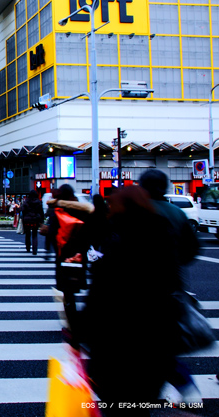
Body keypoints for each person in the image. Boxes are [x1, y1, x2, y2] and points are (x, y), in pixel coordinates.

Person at [81, 186, 182, 413]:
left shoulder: (119, 236)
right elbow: (172, 281)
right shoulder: (162, 233)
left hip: (117, 341)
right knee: (141, 403)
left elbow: (101, 291)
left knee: (117, 403)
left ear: (123, 207)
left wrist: (80, 331)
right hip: (155, 337)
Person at [139, 170, 201, 404]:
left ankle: (180, 385)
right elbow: (192, 250)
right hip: (171, 288)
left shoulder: (137, 212)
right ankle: (179, 386)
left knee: (145, 343)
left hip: (138, 289)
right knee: (160, 341)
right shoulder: (177, 213)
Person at [45, 184, 93, 344]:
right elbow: (90, 234)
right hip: (79, 256)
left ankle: (72, 323)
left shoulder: (57, 211)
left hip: (63, 256)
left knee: (67, 292)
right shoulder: (83, 211)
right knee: (78, 285)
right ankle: (83, 318)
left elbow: (52, 234)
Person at [20, 190, 44, 255]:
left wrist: (23, 218)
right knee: (34, 234)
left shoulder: (26, 201)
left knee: (27, 234)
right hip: (35, 219)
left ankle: (28, 247)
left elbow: (23, 210)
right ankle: (35, 249)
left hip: (27, 219)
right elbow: (41, 211)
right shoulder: (38, 202)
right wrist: (42, 220)